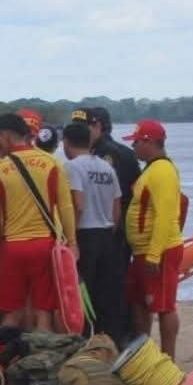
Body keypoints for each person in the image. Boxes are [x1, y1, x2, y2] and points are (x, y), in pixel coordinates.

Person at [0, 113, 75, 330]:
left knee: (11, 313)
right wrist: (72, 242)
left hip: (12, 247)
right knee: (44, 311)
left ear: (4, 136)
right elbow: (66, 206)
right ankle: (43, 357)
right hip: (44, 245)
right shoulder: (51, 162)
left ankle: (6, 357)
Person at [123, 119, 184, 357]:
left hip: (160, 250)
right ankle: (144, 354)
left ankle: (168, 357)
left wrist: (155, 254)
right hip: (142, 251)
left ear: (148, 142)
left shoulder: (163, 171)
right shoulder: (151, 169)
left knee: (163, 305)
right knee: (138, 302)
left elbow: (165, 216)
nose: (134, 147)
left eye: (136, 142)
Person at [61, 122, 123, 340]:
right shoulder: (106, 167)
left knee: (82, 292)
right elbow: (117, 205)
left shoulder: (72, 167)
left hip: (84, 235)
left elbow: (77, 204)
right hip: (106, 234)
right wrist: (110, 229)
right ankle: (108, 340)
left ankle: (85, 340)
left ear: (66, 142)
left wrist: (70, 237)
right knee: (104, 294)